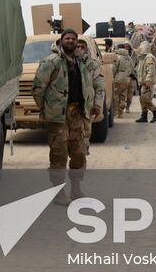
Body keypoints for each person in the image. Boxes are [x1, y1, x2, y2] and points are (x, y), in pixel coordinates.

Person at [30, 29, 104, 204]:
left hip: (78, 113)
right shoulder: (51, 62)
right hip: (58, 117)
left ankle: (76, 189)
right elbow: (38, 88)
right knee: (59, 154)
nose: (70, 41)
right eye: (67, 38)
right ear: (61, 41)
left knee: (79, 153)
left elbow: (94, 85)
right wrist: (46, 109)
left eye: (73, 39)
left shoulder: (83, 62)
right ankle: (58, 193)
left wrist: (94, 104)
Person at [135, 41, 156, 123]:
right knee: (142, 99)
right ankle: (144, 116)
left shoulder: (149, 58)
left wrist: (148, 81)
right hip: (143, 82)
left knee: (145, 98)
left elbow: (151, 70)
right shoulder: (143, 58)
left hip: (147, 83)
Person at [112, 42, 135, 116]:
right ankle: (121, 112)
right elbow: (132, 68)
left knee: (115, 94)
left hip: (118, 78)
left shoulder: (117, 57)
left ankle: (115, 111)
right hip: (127, 79)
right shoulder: (129, 58)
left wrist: (112, 76)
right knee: (123, 95)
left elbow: (114, 68)